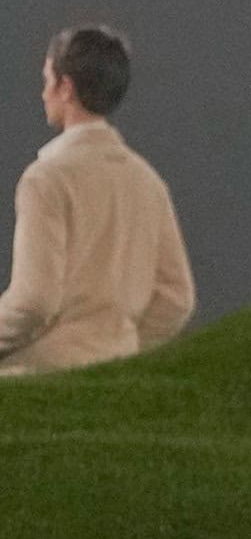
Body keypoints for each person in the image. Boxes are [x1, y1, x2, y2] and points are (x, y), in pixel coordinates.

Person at [0, 25, 195, 376]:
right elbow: (176, 299)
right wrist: (121, 349)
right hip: (116, 371)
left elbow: (34, 301)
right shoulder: (149, 182)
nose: (43, 93)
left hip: (42, 374)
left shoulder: (46, 179)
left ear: (66, 87)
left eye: (47, 80)